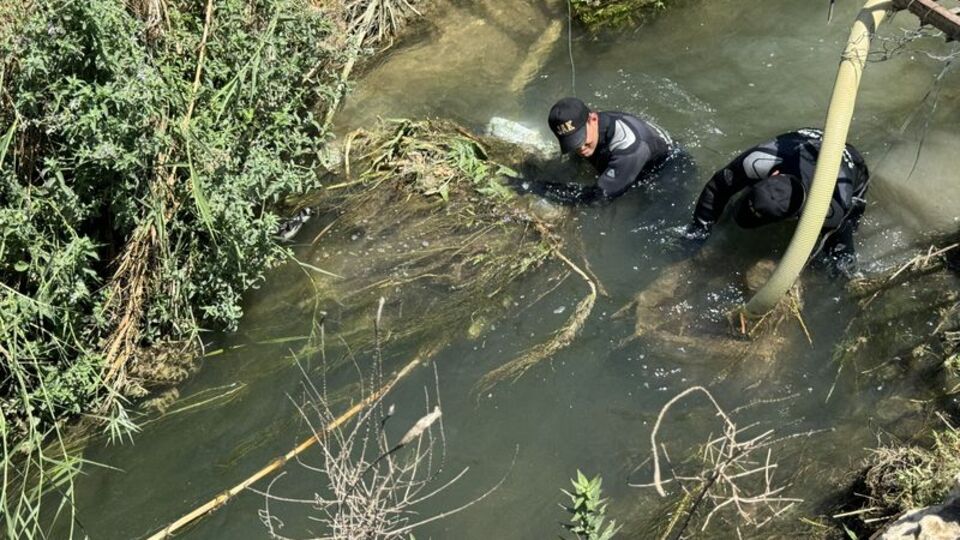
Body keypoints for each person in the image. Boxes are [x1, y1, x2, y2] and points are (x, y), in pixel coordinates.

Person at [683, 128, 870, 277]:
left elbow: (843, 259)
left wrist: (841, 276)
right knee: (732, 184)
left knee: (842, 237)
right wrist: (698, 230)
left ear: (793, 216)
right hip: (804, 139)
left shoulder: (830, 210)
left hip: (851, 164)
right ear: (774, 174)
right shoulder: (758, 161)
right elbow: (717, 188)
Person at [508, 97, 677, 205]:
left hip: (668, 172)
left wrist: (535, 187)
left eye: (581, 139)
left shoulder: (629, 149)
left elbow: (597, 199)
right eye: (572, 143)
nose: (580, 148)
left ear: (593, 119)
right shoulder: (591, 124)